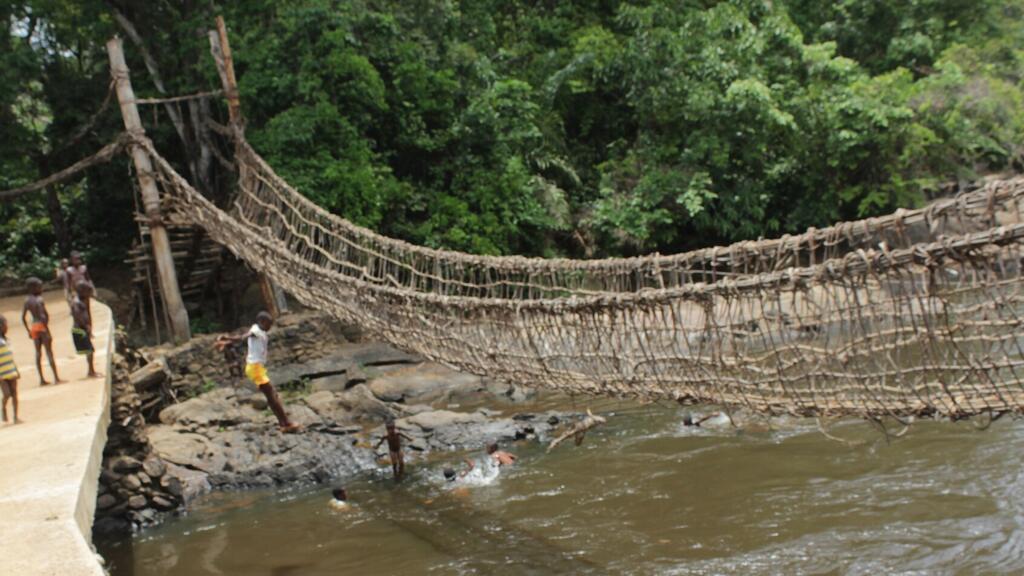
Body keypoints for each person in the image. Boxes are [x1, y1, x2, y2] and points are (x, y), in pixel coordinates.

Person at [214, 312, 300, 433]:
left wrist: (226, 341)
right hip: (255, 368)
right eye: (269, 324)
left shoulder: (257, 328)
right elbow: (243, 337)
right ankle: (286, 423)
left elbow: (244, 337)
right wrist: (227, 339)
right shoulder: (256, 331)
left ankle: (283, 423)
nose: (270, 327)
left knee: (272, 395)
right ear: (263, 322)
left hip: (256, 367)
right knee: (271, 395)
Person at [21, 277, 61, 386]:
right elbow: (44, 315)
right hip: (42, 326)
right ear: (33, 288)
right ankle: (56, 378)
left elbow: (23, 317)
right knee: (49, 352)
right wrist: (46, 327)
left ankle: (42, 379)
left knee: (38, 353)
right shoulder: (39, 300)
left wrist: (28, 330)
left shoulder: (27, 301)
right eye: (39, 286)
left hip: (34, 326)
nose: (41, 289)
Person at [71, 281, 100, 378]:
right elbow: (77, 315)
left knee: (89, 350)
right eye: (87, 292)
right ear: (81, 291)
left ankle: (91, 370)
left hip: (82, 327)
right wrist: (85, 325)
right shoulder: (76, 302)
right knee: (89, 350)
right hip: (80, 328)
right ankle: (91, 371)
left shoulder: (82, 300)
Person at [0, 315, 21, 424]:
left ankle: (15, 417)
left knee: (14, 393)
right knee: (7, 394)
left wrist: (16, 370)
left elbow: (10, 356)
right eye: (5, 325)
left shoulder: (7, 340)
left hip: (11, 369)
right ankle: (3, 408)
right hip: (2, 372)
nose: (7, 327)